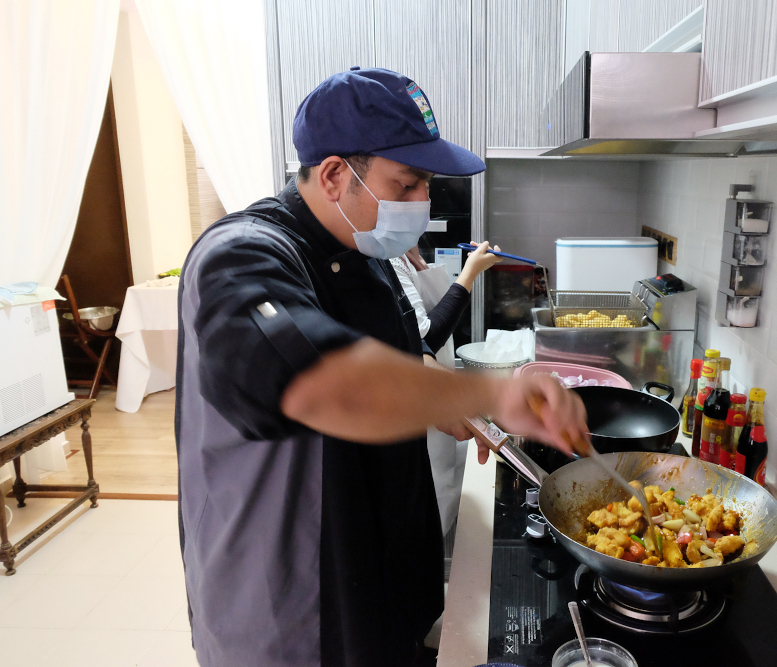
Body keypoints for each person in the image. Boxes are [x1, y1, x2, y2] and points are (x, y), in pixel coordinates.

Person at [174, 66, 589, 667]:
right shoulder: (239, 257)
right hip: (292, 598)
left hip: (378, 574)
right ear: (337, 174)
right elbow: (320, 383)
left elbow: (405, 357)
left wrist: (450, 400)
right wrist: (492, 394)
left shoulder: (364, 252)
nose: (423, 202)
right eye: (408, 184)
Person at [390, 241, 501, 533]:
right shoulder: (383, 258)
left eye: (425, 193)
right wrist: (470, 272)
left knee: (442, 488)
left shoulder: (402, 254)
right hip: (418, 404)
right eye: (409, 192)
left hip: (437, 401)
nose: (422, 204)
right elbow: (426, 335)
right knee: (426, 504)